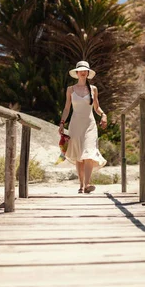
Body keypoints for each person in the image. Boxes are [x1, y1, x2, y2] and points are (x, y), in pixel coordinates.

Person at [59, 61, 107, 194]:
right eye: (80, 69)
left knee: (89, 153)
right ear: (77, 72)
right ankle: (81, 185)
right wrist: (62, 123)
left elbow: (96, 108)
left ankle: (87, 184)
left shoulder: (93, 89)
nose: (83, 71)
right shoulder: (70, 89)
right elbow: (67, 108)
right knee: (79, 155)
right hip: (75, 125)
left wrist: (103, 115)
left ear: (87, 73)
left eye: (85, 70)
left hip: (90, 125)